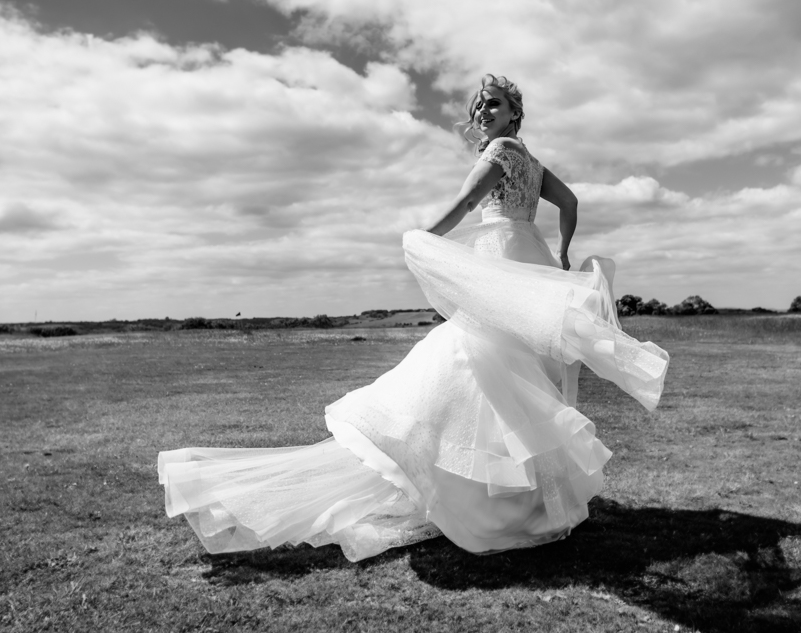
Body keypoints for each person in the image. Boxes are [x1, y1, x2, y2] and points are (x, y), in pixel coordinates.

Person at [158, 75, 669, 562]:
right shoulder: (533, 163)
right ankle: (520, 504)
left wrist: (425, 236)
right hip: (527, 259)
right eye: (478, 105)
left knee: (483, 368)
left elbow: (469, 200)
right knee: (517, 377)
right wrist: (560, 254)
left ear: (515, 114)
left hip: (499, 262)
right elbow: (571, 201)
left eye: (493, 103)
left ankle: (486, 498)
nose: (482, 111)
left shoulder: (503, 152)